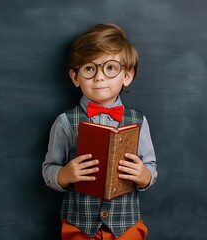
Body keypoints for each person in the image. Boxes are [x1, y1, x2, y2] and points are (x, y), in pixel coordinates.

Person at [42, 23, 158, 240]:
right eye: (89, 68)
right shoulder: (65, 122)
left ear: (127, 75)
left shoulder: (139, 121)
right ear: (76, 77)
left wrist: (143, 176)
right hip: (79, 226)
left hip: (126, 226)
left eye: (110, 67)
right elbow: (49, 168)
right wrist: (64, 175)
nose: (99, 77)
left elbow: (151, 166)